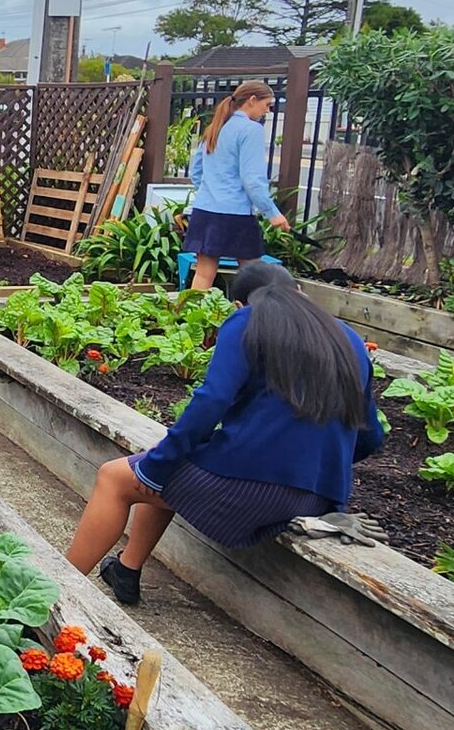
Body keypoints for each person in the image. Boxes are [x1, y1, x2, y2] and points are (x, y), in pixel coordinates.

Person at [66, 260, 382, 606]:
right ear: (300, 292)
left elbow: (212, 400)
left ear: (238, 304)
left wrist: (155, 467)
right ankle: (126, 571)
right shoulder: (347, 338)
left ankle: (56, 591)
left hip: (248, 491)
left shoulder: (249, 320)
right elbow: (370, 437)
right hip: (316, 499)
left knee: (114, 478)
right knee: (166, 460)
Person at [182, 80, 287, 293]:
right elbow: (252, 179)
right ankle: (255, 321)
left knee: (203, 275)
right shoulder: (251, 130)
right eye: (267, 105)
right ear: (252, 100)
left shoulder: (216, 128)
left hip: (204, 211)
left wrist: (212, 191)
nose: (267, 111)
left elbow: (196, 173)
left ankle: (186, 323)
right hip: (235, 214)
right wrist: (272, 213)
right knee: (255, 276)